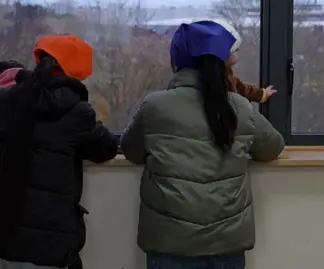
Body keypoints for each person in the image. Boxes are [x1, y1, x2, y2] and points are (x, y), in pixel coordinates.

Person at [120, 20, 285, 269]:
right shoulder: (239, 107)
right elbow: (272, 147)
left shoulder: (155, 106)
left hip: (169, 243)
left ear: (176, 62)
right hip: (226, 243)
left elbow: (131, 151)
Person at [0, 35, 119, 269]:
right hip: (45, 243)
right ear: (78, 73)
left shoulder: (3, 100)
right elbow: (106, 148)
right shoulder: (78, 112)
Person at [171, 19, 276, 103]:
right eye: (235, 50)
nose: (238, 53)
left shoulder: (227, 74)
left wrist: (261, 94)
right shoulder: (218, 77)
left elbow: (241, 88)